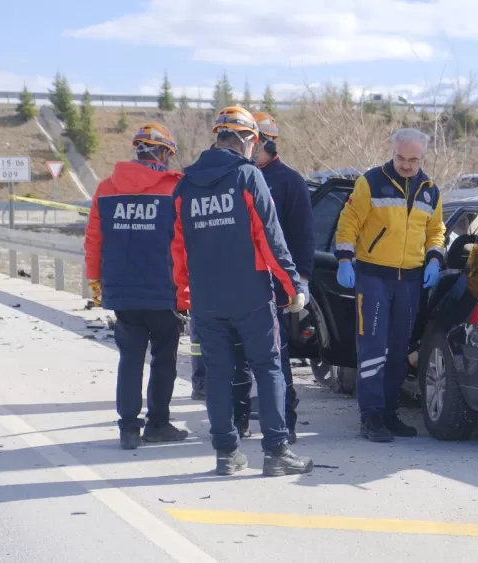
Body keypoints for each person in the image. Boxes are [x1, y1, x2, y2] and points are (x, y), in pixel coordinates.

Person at [171, 106, 311, 476]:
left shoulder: (185, 185)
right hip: (250, 293)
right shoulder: (247, 177)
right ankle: (276, 451)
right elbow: (269, 236)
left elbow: (178, 247)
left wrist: (184, 294)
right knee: (268, 369)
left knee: (217, 374)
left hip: (206, 297)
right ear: (248, 139)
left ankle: (226, 453)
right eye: (257, 141)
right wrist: (291, 284)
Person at [333, 127, 447, 442]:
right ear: (392, 152)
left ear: (423, 157)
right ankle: (370, 416)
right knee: (372, 348)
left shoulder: (430, 190)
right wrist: (345, 259)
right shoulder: (371, 181)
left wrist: (435, 260)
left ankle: (388, 412)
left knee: (398, 350)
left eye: (413, 159)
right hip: (373, 276)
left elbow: (436, 230)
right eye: (401, 157)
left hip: (410, 280)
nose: (407, 165)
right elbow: (349, 221)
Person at [84, 123, 189, 450]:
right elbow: (185, 244)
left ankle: (128, 429)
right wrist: (187, 291)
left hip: (123, 293)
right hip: (165, 292)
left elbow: (93, 240)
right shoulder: (176, 189)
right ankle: (157, 424)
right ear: (163, 152)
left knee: (129, 360)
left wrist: (94, 280)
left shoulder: (106, 188)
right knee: (164, 360)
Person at [253, 111, 315, 444]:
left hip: (276, 286)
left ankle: (285, 423)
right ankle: (240, 418)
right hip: (243, 282)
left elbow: (303, 234)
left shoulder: (288, 181)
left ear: (262, 141)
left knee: (276, 357)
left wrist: (301, 280)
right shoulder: (240, 176)